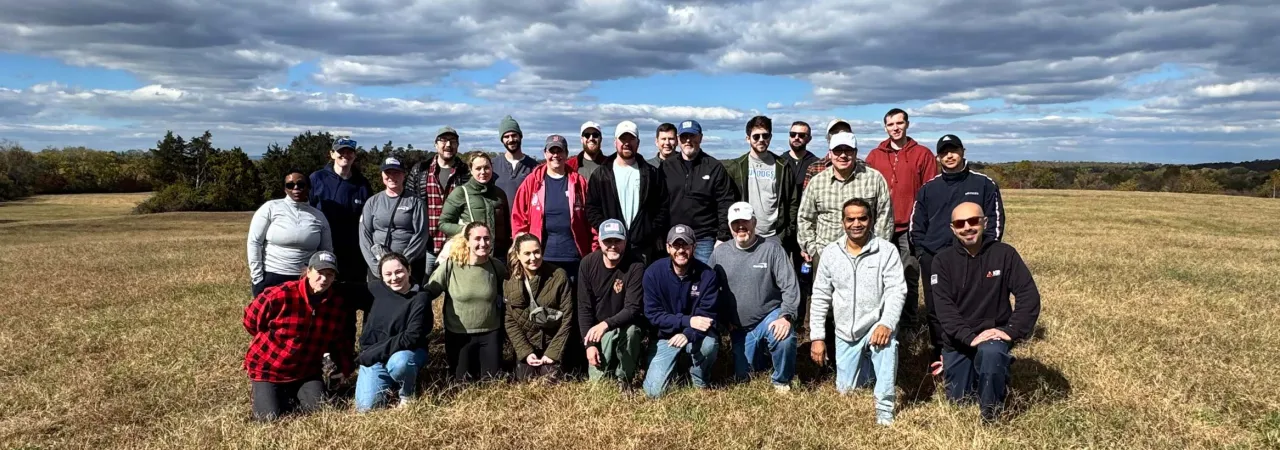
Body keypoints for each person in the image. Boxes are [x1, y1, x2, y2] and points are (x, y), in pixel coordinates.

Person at [931, 202, 1040, 423]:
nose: (967, 227)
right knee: (960, 402)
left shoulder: (1004, 254)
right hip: (958, 340)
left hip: (993, 335)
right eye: (960, 223)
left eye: (973, 221)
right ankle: (963, 368)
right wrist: (970, 338)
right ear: (953, 228)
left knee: (991, 355)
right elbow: (945, 310)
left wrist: (1010, 331)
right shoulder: (942, 261)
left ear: (985, 223)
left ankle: (991, 416)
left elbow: (1029, 296)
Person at [808, 198, 907, 426]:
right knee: (847, 390)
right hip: (845, 331)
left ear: (870, 220)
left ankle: (884, 409)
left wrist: (887, 323)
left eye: (862, 218)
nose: (856, 223)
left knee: (887, 344)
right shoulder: (831, 253)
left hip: (876, 324)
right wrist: (817, 337)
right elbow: (820, 296)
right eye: (850, 219)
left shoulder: (887, 250)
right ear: (843, 222)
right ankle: (868, 369)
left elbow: (896, 291)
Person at [797, 132, 892, 365]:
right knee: (824, 305)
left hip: (865, 254)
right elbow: (804, 218)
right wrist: (813, 248)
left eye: (848, 151)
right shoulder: (818, 182)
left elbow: (884, 217)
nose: (842, 155)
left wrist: (876, 249)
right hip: (826, 254)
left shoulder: (873, 178)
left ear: (855, 153)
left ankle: (866, 355)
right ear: (829, 154)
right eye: (837, 151)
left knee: (865, 303)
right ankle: (823, 355)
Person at [910, 134, 1005, 361]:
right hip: (934, 257)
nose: (949, 156)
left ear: (963, 151)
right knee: (936, 308)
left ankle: (975, 350)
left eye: (953, 150)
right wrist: (923, 253)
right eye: (944, 152)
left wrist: (986, 250)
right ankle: (942, 353)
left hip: (973, 255)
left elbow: (995, 221)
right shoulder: (928, 188)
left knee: (972, 304)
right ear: (938, 157)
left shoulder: (983, 184)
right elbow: (916, 226)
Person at [242, 251, 355, 421]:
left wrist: (344, 368)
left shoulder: (336, 304)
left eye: (330, 275)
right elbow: (250, 320)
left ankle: (290, 393)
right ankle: (267, 392)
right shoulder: (280, 294)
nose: (324, 279)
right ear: (308, 271)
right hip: (268, 369)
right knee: (268, 418)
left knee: (320, 412)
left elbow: (338, 340)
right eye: (320, 273)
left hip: (306, 371)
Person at [710, 202, 799, 391]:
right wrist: (722, 320)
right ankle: (762, 358)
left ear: (754, 222)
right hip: (739, 326)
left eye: (745, 222)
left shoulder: (772, 249)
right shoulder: (719, 253)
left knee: (783, 337)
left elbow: (790, 286)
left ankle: (782, 380)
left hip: (770, 316)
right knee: (745, 375)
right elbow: (708, 290)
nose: (741, 227)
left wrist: (786, 316)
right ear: (729, 226)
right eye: (736, 223)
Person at [865, 108, 937, 331]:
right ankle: (879, 320)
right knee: (877, 275)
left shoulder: (922, 154)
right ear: (885, 127)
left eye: (899, 123)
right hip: (880, 226)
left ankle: (909, 323)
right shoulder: (875, 155)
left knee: (908, 275)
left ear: (907, 124)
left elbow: (930, 191)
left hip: (909, 227)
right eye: (890, 124)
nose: (895, 128)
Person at [641, 224, 720, 398]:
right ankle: (676, 367)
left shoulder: (707, 276)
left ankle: (699, 378)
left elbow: (707, 315)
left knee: (709, 344)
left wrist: (688, 333)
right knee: (654, 392)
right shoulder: (653, 273)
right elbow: (653, 315)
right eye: (676, 245)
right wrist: (687, 321)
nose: (681, 250)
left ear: (694, 246)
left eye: (685, 245)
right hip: (665, 336)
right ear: (668, 247)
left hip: (696, 334)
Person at [426, 222, 508, 382]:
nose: (483, 243)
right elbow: (429, 292)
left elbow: (510, 290)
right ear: (467, 241)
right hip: (459, 334)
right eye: (477, 238)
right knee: (462, 383)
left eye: (486, 238)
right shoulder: (450, 266)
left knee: (492, 381)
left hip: (490, 332)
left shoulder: (496, 266)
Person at [354, 252, 431, 412]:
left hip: (406, 352)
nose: (394, 278)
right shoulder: (375, 289)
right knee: (367, 408)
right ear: (381, 276)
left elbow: (412, 337)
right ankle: (392, 381)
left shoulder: (420, 298)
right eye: (387, 274)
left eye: (399, 271)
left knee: (401, 363)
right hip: (375, 358)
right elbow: (342, 290)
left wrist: (371, 354)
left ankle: (407, 393)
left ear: (409, 270)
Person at [510, 135, 594, 281]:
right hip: (541, 258)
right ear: (545, 153)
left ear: (566, 154)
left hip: (574, 258)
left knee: (572, 301)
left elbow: (591, 220)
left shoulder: (579, 182)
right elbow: (519, 218)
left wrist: (594, 251)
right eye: (552, 151)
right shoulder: (532, 181)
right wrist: (522, 250)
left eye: (560, 151)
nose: (556, 155)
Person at [586, 120, 668, 264]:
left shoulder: (651, 173)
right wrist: (607, 231)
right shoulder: (601, 175)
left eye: (631, 138)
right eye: (623, 138)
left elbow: (662, 207)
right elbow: (592, 208)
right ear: (615, 142)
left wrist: (649, 230)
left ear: (638, 142)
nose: (627, 143)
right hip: (611, 248)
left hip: (642, 249)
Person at [577, 219, 646, 390]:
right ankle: (607, 369)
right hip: (598, 333)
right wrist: (589, 345)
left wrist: (606, 325)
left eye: (617, 241)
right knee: (598, 386)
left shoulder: (636, 265)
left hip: (625, 325)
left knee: (632, 332)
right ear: (599, 241)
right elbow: (584, 308)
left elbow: (633, 308)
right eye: (608, 241)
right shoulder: (587, 263)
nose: (613, 246)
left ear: (625, 241)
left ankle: (625, 378)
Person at [248, 169, 333, 297]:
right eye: (290, 185)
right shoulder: (270, 208)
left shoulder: (319, 216)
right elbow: (254, 242)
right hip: (272, 276)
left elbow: (326, 251)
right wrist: (257, 278)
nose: (296, 188)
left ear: (308, 187)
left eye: (301, 184)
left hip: (305, 280)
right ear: (285, 189)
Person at [308, 139, 373, 305]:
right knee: (323, 295)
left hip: (353, 253)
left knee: (348, 300)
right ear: (332, 154)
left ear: (354, 155)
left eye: (349, 152)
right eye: (341, 151)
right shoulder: (317, 179)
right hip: (324, 249)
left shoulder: (362, 183)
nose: (345, 155)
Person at [661, 119, 736, 264]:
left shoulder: (714, 167)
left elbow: (725, 202)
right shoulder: (667, 167)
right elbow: (659, 203)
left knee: (705, 282)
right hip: (674, 239)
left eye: (692, 136)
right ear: (678, 139)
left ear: (700, 138)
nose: (688, 140)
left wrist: (722, 237)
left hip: (704, 240)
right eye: (684, 137)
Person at [503, 234, 576, 381]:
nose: (533, 257)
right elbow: (510, 320)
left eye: (537, 252)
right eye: (527, 253)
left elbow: (568, 317)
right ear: (517, 254)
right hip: (528, 343)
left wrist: (553, 353)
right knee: (526, 380)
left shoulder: (558, 276)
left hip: (553, 342)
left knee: (549, 379)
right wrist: (525, 352)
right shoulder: (509, 282)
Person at [723, 115, 799, 250]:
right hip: (745, 233)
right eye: (756, 136)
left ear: (770, 137)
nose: (761, 140)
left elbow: (792, 201)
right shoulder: (737, 167)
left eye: (765, 136)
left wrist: (788, 230)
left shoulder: (782, 166)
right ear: (748, 138)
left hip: (775, 235)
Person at [359, 157, 430, 282]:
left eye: (396, 172)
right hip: (378, 266)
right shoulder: (372, 202)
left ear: (404, 175)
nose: (392, 176)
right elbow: (364, 234)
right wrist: (376, 266)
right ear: (382, 175)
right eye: (388, 173)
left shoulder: (415, 202)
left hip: (408, 265)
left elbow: (421, 235)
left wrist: (402, 263)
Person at [406, 126, 470, 257]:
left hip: (457, 245)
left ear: (458, 145)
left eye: (452, 141)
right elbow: (408, 204)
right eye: (443, 140)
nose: (448, 145)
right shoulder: (420, 171)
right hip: (426, 245)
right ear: (436, 144)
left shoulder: (466, 172)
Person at [440, 151, 513, 261]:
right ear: (471, 170)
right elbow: (443, 224)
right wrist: (464, 229)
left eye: (486, 167)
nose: (483, 172)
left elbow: (507, 226)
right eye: (478, 168)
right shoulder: (460, 192)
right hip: (471, 256)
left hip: (499, 257)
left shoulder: (500, 194)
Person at [491, 115, 539, 207]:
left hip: (525, 220)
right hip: (499, 220)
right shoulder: (492, 165)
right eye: (506, 136)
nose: (511, 139)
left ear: (520, 136)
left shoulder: (534, 167)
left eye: (514, 135)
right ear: (502, 140)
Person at [801, 118, 854, 189]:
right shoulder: (814, 168)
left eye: (844, 132)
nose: (840, 135)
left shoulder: (863, 167)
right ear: (828, 138)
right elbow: (806, 197)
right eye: (835, 132)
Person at [781, 121, 820, 190]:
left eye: (801, 135)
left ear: (809, 139)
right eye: (793, 134)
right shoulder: (780, 161)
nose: (796, 138)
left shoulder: (816, 164)